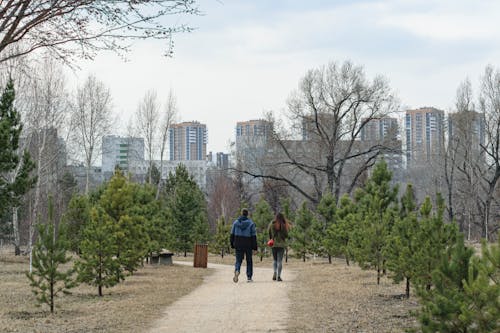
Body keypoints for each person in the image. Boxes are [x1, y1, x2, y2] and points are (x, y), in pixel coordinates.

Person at [230, 208, 257, 283]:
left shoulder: (235, 223)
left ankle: (237, 270)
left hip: (238, 243)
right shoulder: (251, 223)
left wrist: (232, 244)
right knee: (249, 261)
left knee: (238, 260)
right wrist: (255, 247)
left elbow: (232, 234)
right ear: (247, 214)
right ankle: (249, 277)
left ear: (241, 213)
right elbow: (253, 236)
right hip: (248, 244)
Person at [267, 212, 290, 282]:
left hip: (273, 244)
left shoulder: (272, 224)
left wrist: (271, 238)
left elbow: (269, 232)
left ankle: (274, 272)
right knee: (279, 261)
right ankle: (279, 276)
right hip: (281, 245)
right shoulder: (283, 225)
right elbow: (286, 235)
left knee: (274, 260)